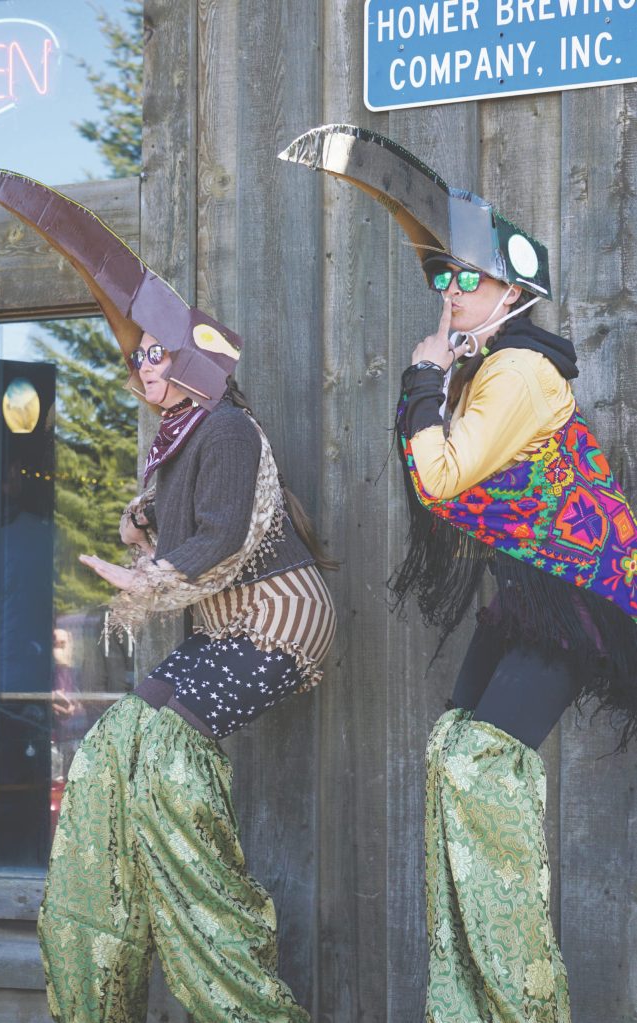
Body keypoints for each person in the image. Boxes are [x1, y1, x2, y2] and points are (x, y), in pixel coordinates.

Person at [280, 125, 637, 1023]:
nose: (446, 293)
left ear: (511, 293)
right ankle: (470, 994)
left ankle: (522, 1002)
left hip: (579, 595)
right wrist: (435, 379)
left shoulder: (515, 368)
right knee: (450, 748)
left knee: (480, 766)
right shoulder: (484, 365)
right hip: (528, 594)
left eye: (463, 279)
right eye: (440, 277)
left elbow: (438, 477)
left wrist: (416, 376)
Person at [36, 331, 336, 1023]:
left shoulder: (226, 425)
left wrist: (148, 576)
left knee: (168, 757)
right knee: (112, 749)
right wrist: (145, 524)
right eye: (137, 354)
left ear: (199, 363)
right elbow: (194, 525)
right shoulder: (179, 437)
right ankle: (98, 990)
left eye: (156, 352)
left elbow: (223, 535)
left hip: (274, 616)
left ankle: (235, 986)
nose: (142, 365)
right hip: (220, 625)